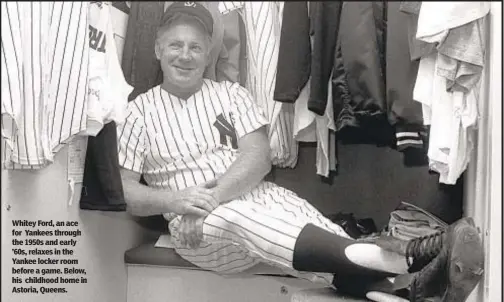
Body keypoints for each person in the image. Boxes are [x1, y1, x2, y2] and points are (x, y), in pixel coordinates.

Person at [117, 2, 484, 301]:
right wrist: (180, 202)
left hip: (262, 201)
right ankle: (414, 254)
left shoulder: (230, 94)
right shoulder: (137, 112)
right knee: (234, 219)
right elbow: (127, 192)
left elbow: (258, 157)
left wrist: (208, 199)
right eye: (176, 45)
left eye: (195, 47)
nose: (185, 55)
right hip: (197, 232)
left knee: (331, 246)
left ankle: (411, 291)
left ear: (207, 52)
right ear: (157, 49)